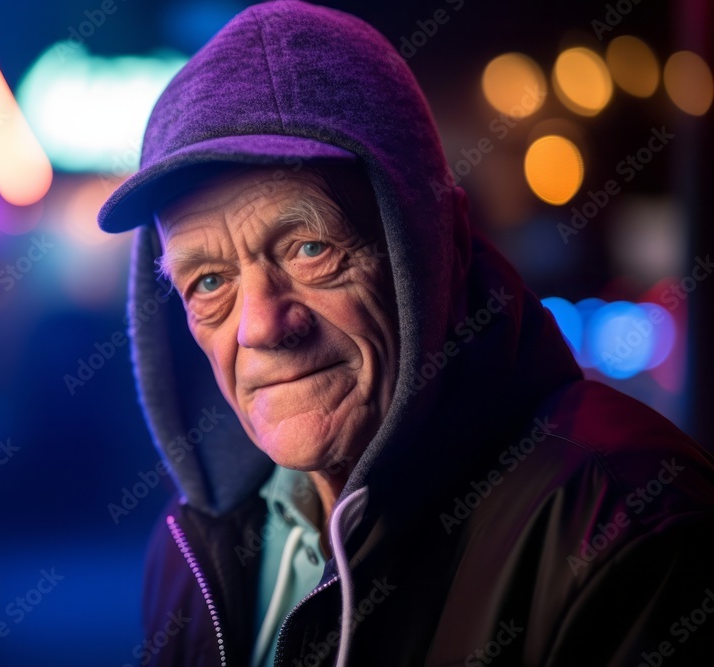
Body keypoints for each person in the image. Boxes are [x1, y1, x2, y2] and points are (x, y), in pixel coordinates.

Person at [96, 1, 714, 665]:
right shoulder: (194, 546)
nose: (262, 325)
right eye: (209, 283)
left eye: (309, 247)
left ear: (435, 242)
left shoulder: (631, 525)